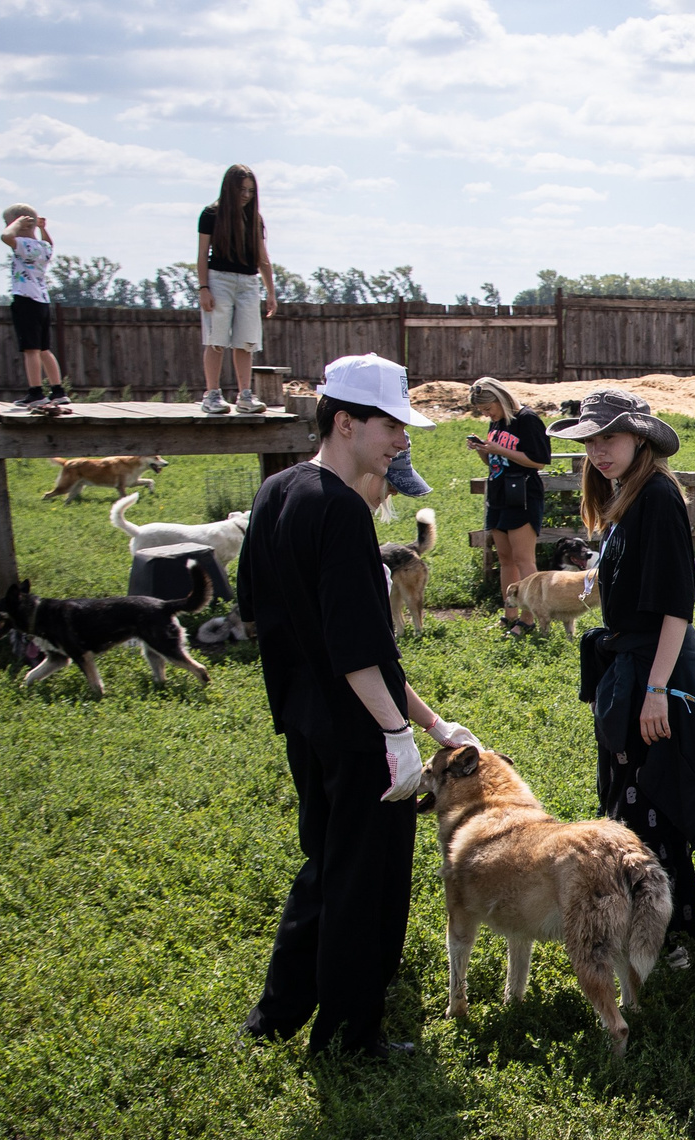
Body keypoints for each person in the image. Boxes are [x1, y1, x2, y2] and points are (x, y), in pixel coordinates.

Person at [237, 353, 477, 1057]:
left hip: (303, 719)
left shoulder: (277, 490)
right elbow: (358, 650)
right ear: (345, 422)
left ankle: (276, 1014)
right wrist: (398, 733)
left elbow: (259, 612)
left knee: (326, 861)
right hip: (358, 730)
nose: (401, 440)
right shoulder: (340, 509)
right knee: (362, 881)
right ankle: (348, 1033)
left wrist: (433, 721)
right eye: (390, 426)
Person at [559, 389, 695, 960]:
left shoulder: (655, 498)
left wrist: (655, 690)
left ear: (640, 440)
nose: (599, 452)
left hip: (660, 667)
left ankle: (674, 936)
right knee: (633, 796)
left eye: (610, 438)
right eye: (591, 442)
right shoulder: (626, 496)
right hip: (637, 662)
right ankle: (648, 926)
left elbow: (678, 605)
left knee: (657, 796)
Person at [196, 164, 277, 416]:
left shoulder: (255, 219)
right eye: (242, 190)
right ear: (229, 188)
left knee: (246, 341)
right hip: (219, 279)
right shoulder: (210, 214)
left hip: (249, 282)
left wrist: (271, 292)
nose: (246, 195)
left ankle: (244, 395)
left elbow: (263, 259)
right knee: (216, 339)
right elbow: (201, 255)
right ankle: (212, 394)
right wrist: (203, 288)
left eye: (251, 191)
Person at [465, 377, 551, 609]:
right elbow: (495, 461)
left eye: (487, 409)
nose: (486, 414)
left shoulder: (527, 420)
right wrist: (482, 450)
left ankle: (531, 617)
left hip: (522, 495)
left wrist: (499, 449)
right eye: (481, 411)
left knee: (523, 559)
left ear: (500, 399)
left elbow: (539, 461)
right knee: (505, 559)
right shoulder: (497, 422)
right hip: (498, 495)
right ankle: (510, 614)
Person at [0, 204, 67, 415]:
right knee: (44, 349)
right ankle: (58, 391)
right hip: (43, 301)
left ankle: (36, 392)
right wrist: (43, 228)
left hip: (26, 299)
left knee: (31, 350)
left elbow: (5, 236)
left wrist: (16, 224)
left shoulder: (22, 244)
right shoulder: (42, 247)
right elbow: (50, 243)